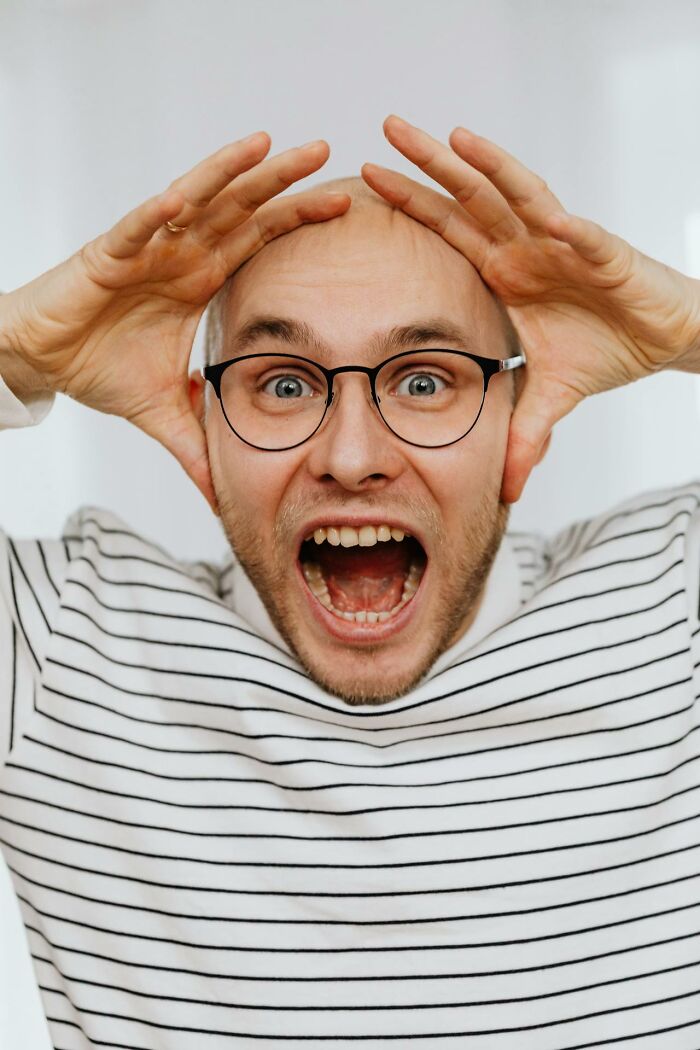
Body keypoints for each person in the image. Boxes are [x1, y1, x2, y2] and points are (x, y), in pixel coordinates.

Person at [1, 114, 699, 1048]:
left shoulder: (670, 609)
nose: (353, 455)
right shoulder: (59, 649)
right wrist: (14, 353)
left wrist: (691, 325)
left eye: (424, 380)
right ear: (206, 417)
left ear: (517, 407)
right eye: (284, 384)